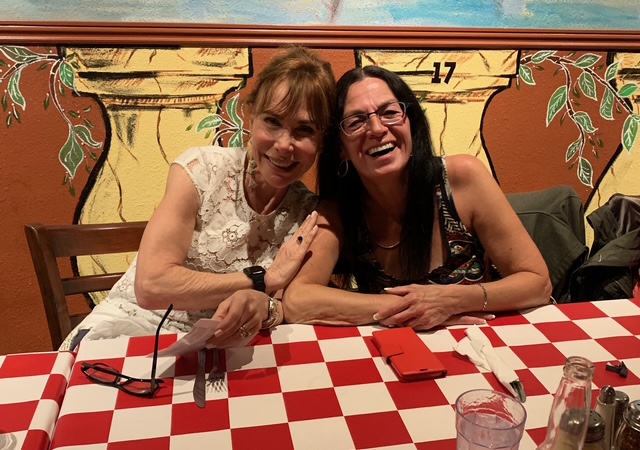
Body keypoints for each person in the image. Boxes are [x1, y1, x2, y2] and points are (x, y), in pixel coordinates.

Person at [60, 46, 336, 350]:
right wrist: (263, 280)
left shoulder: (308, 214)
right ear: (251, 117)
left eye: (304, 130)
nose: (284, 144)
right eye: (272, 121)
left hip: (220, 346)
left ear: (322, 141)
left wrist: (265, 305)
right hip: (134, 327)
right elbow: (151, 287)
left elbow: (286, 306)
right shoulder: (201, 170)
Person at [283, 66, 552, 330]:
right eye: (356, 122)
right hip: (395, 349)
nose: (377, 128)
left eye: (390, 112)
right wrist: (416, 307)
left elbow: (537, 283)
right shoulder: (340, 209)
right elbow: (298, 301)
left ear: (410, 122)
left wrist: (452, 301)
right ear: (341, 148)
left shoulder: (462, 177)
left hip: (482, 343)